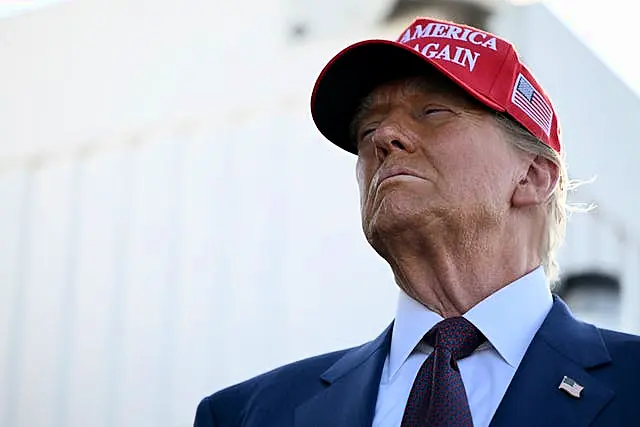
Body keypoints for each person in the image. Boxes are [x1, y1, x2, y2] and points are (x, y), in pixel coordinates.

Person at [194, 16, 640, 427]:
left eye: (432, 112)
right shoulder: (246, 415)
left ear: (531, 176)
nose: (383, 138)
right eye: (367, 130)